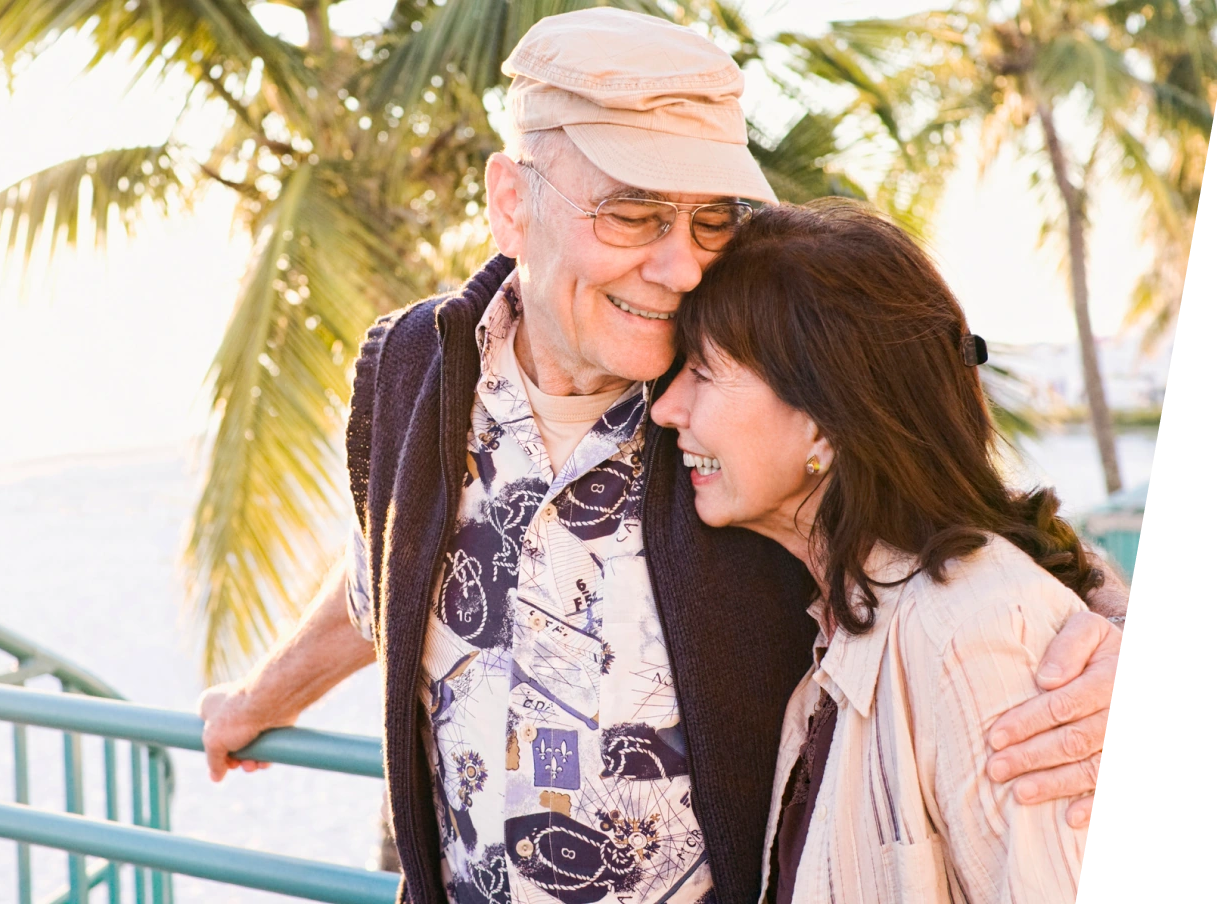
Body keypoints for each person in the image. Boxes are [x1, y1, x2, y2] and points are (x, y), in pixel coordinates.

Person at [198, 9, 1127, 903]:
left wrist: (1115, 637)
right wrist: (258, 698)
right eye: (633, 214)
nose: (681, 268)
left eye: (711, 220)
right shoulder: (415, 367)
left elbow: (949, 516)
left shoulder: (741, 389)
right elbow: (384, 567)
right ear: (512, 203)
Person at [651, 199, 1109, 902]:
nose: (666, 408)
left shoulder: (974, 633)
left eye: (705, 372)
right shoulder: (846, 631)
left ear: (824, 426)